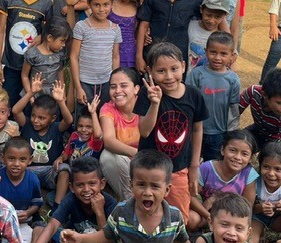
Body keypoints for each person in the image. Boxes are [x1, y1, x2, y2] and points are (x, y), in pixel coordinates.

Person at [62, 151, 216, 243]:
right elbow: (106, 235)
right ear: (131, 185)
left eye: (155, 186)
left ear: (167, 189)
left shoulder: (174, 218)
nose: (147, 192)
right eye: (141, 184)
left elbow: (183, 242)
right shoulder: (121, 212)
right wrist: (80, 238)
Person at [135, 42, 209, 228]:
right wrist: (154, 103)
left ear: (184, 66)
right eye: (161, 71)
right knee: (146, 207)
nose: (169, 77)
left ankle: (176, 242)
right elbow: (144, 131)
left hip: (178, 167)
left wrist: (194, 166)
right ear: (150, 72)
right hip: (148, 167)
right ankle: (147, 238)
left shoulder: (194, 95)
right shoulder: (147, 94)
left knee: (179, 209)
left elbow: (197, 129)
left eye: (174, 69)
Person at [0, 0, 53, 108]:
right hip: (12, 64)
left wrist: (41, 36)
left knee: (32, 105)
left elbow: (49, 31)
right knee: (10, 103)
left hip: (35, 66)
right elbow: (0, 30)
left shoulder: (46, 2)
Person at [13, 76, 73, 208]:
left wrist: (61, 102)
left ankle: (58, 207)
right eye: (34, 115)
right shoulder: (27, 124)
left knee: (65, 170)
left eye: (41, 118)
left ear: (52, 118)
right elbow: (15, 111)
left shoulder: (56, 127)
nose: (35, 120)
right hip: (28, 170)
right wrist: (31, 93)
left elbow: (69, 120)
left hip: (50, 170)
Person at [186, 32, 241, 162]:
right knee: (191, 162)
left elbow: (234, 109)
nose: (217, 57)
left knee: (213, 166)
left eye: (223, 54)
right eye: (213, 52)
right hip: (195, 130)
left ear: (232, 56)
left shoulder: (233, 80)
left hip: (219, 134)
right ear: (205, 51)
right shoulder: (196, 74)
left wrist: (232, 134)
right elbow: (188, 101)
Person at [188, 130, 259, 231]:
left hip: (232, 219)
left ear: (250, 158)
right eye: (233, 150)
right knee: (191, 219)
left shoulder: (248, 175)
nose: (238, 157)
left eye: (244, 154)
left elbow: (247, 207)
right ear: (222, 150)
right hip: (206, 214)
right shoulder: (207, 168)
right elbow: (191, 197)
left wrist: (216, 200)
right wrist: (209, 215)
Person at [239, 67, 281, 173]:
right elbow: (235, 112)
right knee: (238, 143)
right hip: (260, 130)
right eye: (280, 103)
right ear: (264, 95)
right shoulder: (253, 92)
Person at [71, 0, 122, 113]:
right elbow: (73, 57)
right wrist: (78, 87)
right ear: (89, 4)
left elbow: (115, 56)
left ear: (112, 4)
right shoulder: (81, 27)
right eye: (96, 5)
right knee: (84, 119)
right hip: (84, 82)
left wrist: (114, 83)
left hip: (106, 82)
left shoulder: (115, 29)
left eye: (106, 5)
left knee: (104, 115)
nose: (101, 9)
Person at [100, 68, 141, 200]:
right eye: (113, 87)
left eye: (124, 85)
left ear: (136, 89)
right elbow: (109, 140)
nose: (117, 91)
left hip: (146, 162)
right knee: (107, 156)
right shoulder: (108, 108)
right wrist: (137, 154)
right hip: (125, 161)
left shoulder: (147, 105)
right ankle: (129, 199)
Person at [0, 137, 44, 243]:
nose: (16, 164)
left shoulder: (33, 180)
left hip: (22, 223)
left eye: (22, 159)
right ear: (2, 158)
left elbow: (37, 203)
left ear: (30, 160)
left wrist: (27, 213)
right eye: (11, 158)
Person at [22, 17, 71, 97]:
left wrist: (63, 94)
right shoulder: (32, 54)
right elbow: (24, 76)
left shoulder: (59, 54)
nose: (64, 45)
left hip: (54, 96)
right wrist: (30, 96)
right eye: (62, 41)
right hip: (36, 95)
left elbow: (60, 74)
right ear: (49, 38)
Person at [186, 0, 232, 75]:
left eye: (217, 17)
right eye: (208, 15)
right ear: (201, 10)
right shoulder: (190, 26)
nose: (211, 20)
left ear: (224, 16)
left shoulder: (222, 37)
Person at [109, 0, 141, 69]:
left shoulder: (138, 7)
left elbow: (140, 31)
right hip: (109, 56)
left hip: (131, 58)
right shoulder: (108, 5)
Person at [58, 97, 103, 165]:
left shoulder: (95, 140)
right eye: (80, 126)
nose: (83, 130)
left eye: (89, 127)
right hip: (73, 170)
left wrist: (93, 113)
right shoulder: (74, 135)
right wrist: (60, 158)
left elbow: (97, 135)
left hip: (88, 173)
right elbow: (66, 153)